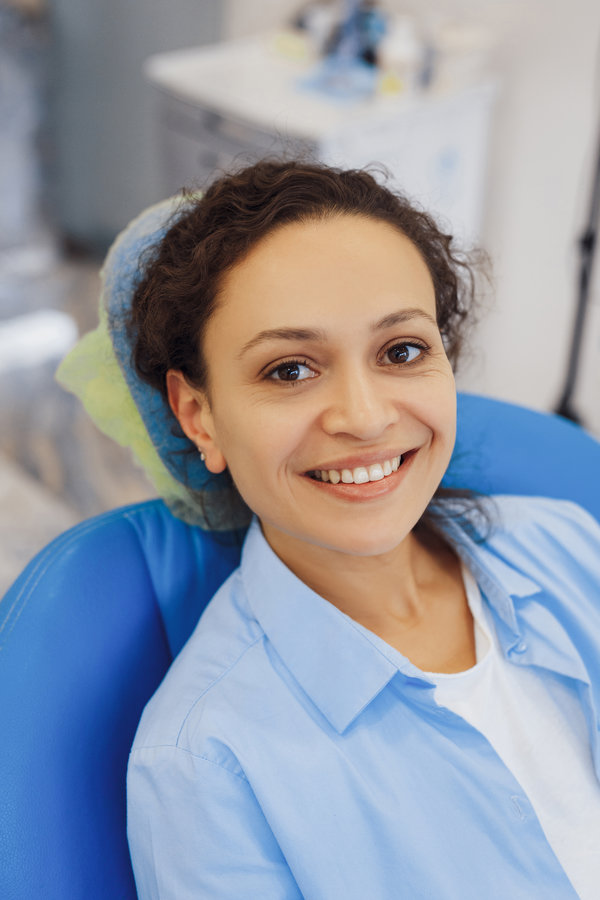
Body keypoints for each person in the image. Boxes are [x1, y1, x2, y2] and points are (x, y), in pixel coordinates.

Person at [71, 160, 600, 898]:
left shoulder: (568, 545)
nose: (366, 416)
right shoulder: (207, 766)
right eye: (289, 369)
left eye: (402, 351)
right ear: (199, 415)